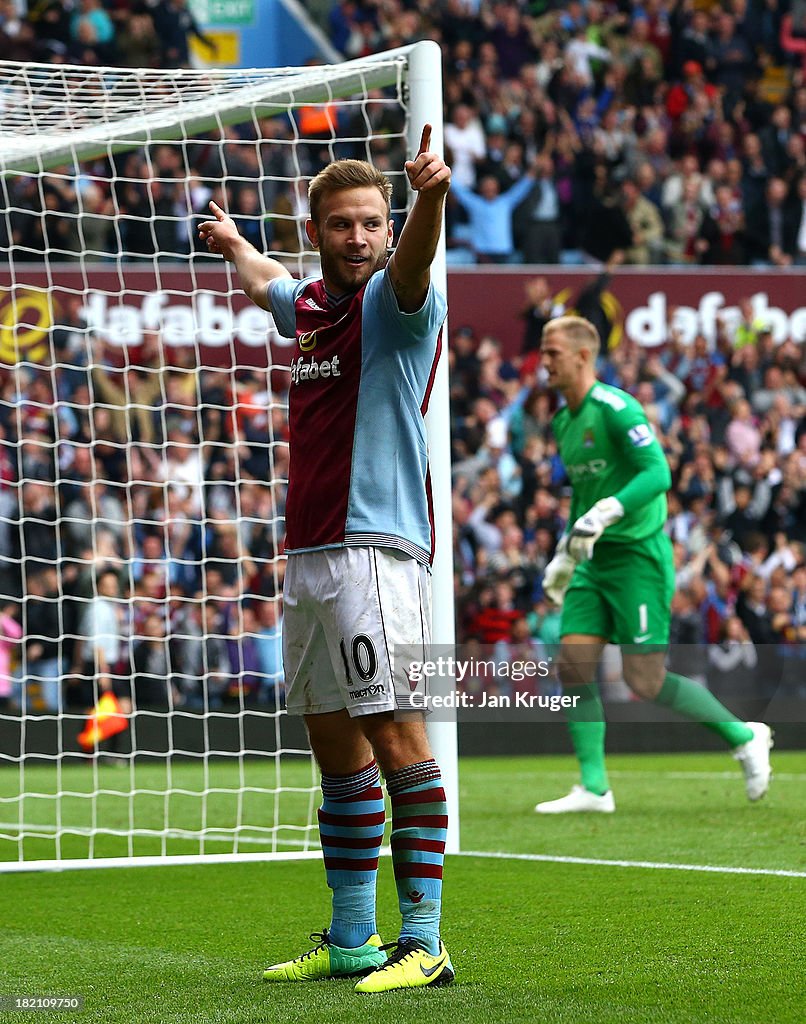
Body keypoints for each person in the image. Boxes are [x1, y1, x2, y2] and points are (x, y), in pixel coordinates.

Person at [198, 125, 453, 991]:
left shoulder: (398, 301)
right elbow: (271, 285)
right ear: (320, 231)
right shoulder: (308, 304)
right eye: (343, 225)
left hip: (376, 553)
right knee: (334, 746)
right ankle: (353, 939)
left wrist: (428, 198)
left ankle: (425, 941)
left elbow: (415, 263)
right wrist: (234, 242)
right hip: (308, 556)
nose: (359, 238)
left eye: (372, 224)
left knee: (394, 734)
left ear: (388, 229)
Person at [535, 315, 773, 814]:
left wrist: (608, 511)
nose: (544, 361)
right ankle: (595, 788)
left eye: (552, 352)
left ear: (582, 356)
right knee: (574, 664)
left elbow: (658, 472)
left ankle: (744, 736)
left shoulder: (617, 408)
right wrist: (564, 554)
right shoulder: (562, 421)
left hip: (638, 558)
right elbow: (583, 494)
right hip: (593, 561)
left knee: (645, 679)